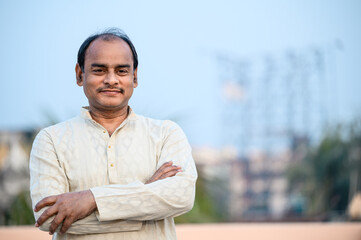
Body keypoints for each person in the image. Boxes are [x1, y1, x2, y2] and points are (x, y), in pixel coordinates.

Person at [29, 28, 197, 240]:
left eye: (122, 71)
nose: (111, 79)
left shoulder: (165, 134)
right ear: (80, 75)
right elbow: (49, 218)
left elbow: (181, 197)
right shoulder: (51, 139)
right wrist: (147, 195)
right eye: (99, 70)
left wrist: (91, 199)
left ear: (134, 77)